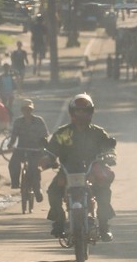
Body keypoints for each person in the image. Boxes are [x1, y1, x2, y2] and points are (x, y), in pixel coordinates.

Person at [44, 93, 117, 241]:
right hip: (67, 172)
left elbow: (108, 148)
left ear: (90, 112)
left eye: (85, 111)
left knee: (103, 191)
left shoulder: (97, 133)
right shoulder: (64, 133)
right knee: (53, 191)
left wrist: (110, 156)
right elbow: (52, 149)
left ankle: (103, 225)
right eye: (78, 110)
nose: (81, 114)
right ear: (72, 112)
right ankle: (59, 221)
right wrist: (47, 158)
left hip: (91, 172)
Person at [8, 99, 49, 192]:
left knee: (35, 167)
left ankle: (37, 188)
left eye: (29, 109)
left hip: (36, 150)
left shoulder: (39, 121)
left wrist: (44, 147)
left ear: (32, 110)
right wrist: (10, 144)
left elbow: (44, 136)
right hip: (21, 148)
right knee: (13, 164)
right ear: (22, 110)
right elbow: (14, 136)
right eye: (25, 109)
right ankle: (15, 183)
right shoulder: (18, 122)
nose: (27, 112)